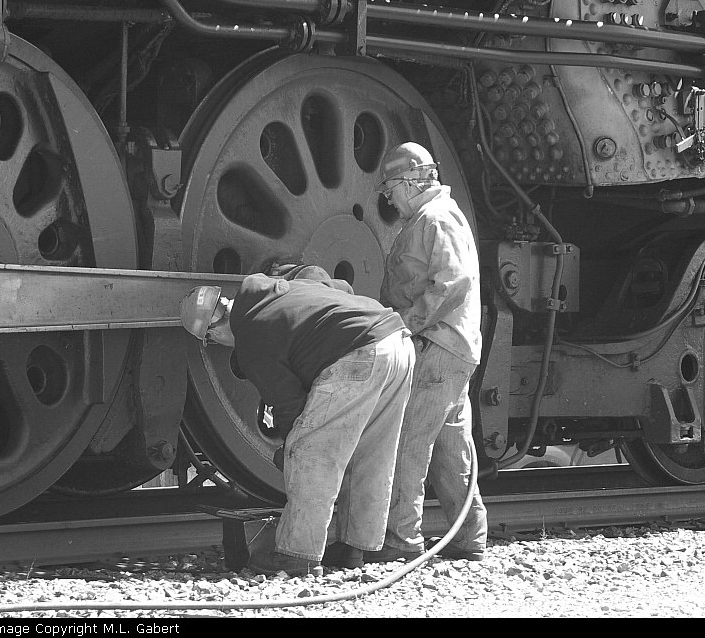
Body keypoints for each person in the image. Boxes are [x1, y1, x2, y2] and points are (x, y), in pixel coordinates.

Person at [179, 264, 415, 576]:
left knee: (310, 453)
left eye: (212, 340)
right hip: (396, 340)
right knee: (371, 455)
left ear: (215, 330)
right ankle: (354, 547)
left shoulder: (252, 335)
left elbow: (290, 404)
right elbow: (338, 286)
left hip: (359, 355)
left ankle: (297, 555)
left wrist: (290, 447)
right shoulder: (280, 291)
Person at [368, 141, 489, 563]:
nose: (387, 196)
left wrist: (407, 326)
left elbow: (452, 283)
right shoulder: (432, 217)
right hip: (450, 346)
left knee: (407, 442)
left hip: (436, 345)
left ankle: (401, 540)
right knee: (450, 449)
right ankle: (470, 537)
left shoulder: (434, 218)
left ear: (411, 181)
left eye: (390, 187)